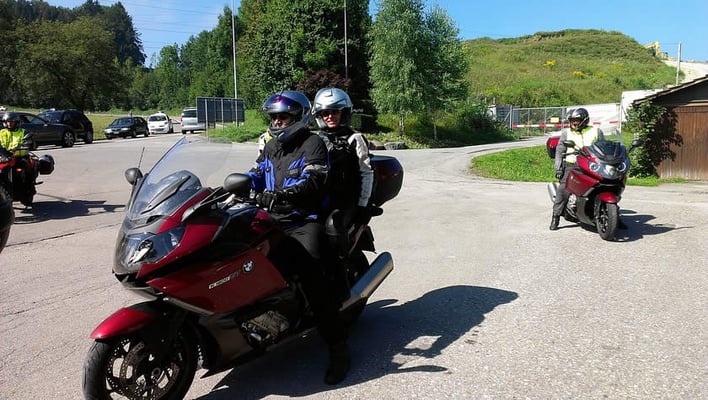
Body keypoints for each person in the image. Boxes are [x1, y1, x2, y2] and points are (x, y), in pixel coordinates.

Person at [247, 90, 351, 385]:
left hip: (302, 221)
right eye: (274, 117)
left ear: (299, 117)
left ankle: (338, 348)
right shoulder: (271, 147)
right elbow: (256, 173)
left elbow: (314, 180)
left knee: (312, 273)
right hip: (270, 219)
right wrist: (236, 185)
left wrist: (282, 195)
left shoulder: (312, 143)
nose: (278, 122)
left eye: (284, 117)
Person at [312, 87, 374, 255]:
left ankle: (339, 264)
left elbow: (366, 172)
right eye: (325, 113)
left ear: (344, 113)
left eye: (335, 112)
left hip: (346, 200)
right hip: (322, 197)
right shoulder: (316, 139)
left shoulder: (355, 138)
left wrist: (363, 205)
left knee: (333, 227)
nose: (330, 116)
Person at [550, 107, 604, 230]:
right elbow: (559, 151)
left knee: (604, 185)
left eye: (576, 120)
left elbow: (603, 147)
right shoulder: (567, 133)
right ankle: (556, 216)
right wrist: (558, 168)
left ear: (584, 120)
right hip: (573, 165)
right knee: (563, 189)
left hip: (592, 164)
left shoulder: (596, 131)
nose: (574, 123)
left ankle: (614, 215)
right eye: (572, 120)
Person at [0, 112, 35, 206]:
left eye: (11, 122)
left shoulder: (22, 132)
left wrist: (27, 143)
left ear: (16, 122)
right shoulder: (2, 133)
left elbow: (29, 141)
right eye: (7, 122)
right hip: (5, 156)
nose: (9, 124)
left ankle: (29, 188)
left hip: (19, 157)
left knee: (26, 167)